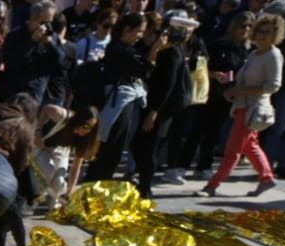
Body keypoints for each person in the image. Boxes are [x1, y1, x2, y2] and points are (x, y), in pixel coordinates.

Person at [203, 12, 284, 195]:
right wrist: (233, 90)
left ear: (275, 34)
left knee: (233, 150)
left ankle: (212, 185)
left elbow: (273, 86)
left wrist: (241, 91)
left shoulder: (272, 55)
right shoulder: (255, 53)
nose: (262, 34)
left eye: (267, 31)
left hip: (253, 108)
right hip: (243, 107)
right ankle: (266, 177)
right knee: (250, 146)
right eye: (260, 30)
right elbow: (244, 80)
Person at [86, 13, 158, 180]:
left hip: (124, 103)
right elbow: (144, 70)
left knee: (114, 150)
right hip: (117, 103)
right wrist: (154, 51)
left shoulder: (129, 49)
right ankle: (95, 187)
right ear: (127, 29)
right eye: (139, 31)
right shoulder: (118, 49)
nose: (141, 36)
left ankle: (100, 186)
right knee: (110, 149)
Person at [132, 13, 193, 197]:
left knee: (148, 144)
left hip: (160, 106)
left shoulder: (171, 52)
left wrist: (154, 112)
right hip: (155, 103)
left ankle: (145, 186)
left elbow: (167, 85)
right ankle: (143, 182)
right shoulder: (168, 50)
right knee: (140, 143)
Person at [185, 11, 251, 178]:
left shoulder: (247, 50)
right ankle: (181, 164)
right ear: (234, 27)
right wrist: (214, 74)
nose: (246, 30)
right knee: (198, 129)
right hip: (210, 91)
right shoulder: (220, 44)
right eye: (243, 26)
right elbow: (202, 65)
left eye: (250, 26)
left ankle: (203, 165)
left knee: (214, 132)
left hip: (228, 95)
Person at [0, 0, 62, 104]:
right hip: (12, 92)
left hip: (34, 95)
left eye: (50, 22)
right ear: (34, 19)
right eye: (44, 22)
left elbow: (60, 64)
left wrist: (50, 44)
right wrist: (31, 41)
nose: (47, 27)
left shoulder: (52, 38)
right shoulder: (14, 36)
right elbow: (10, 62)